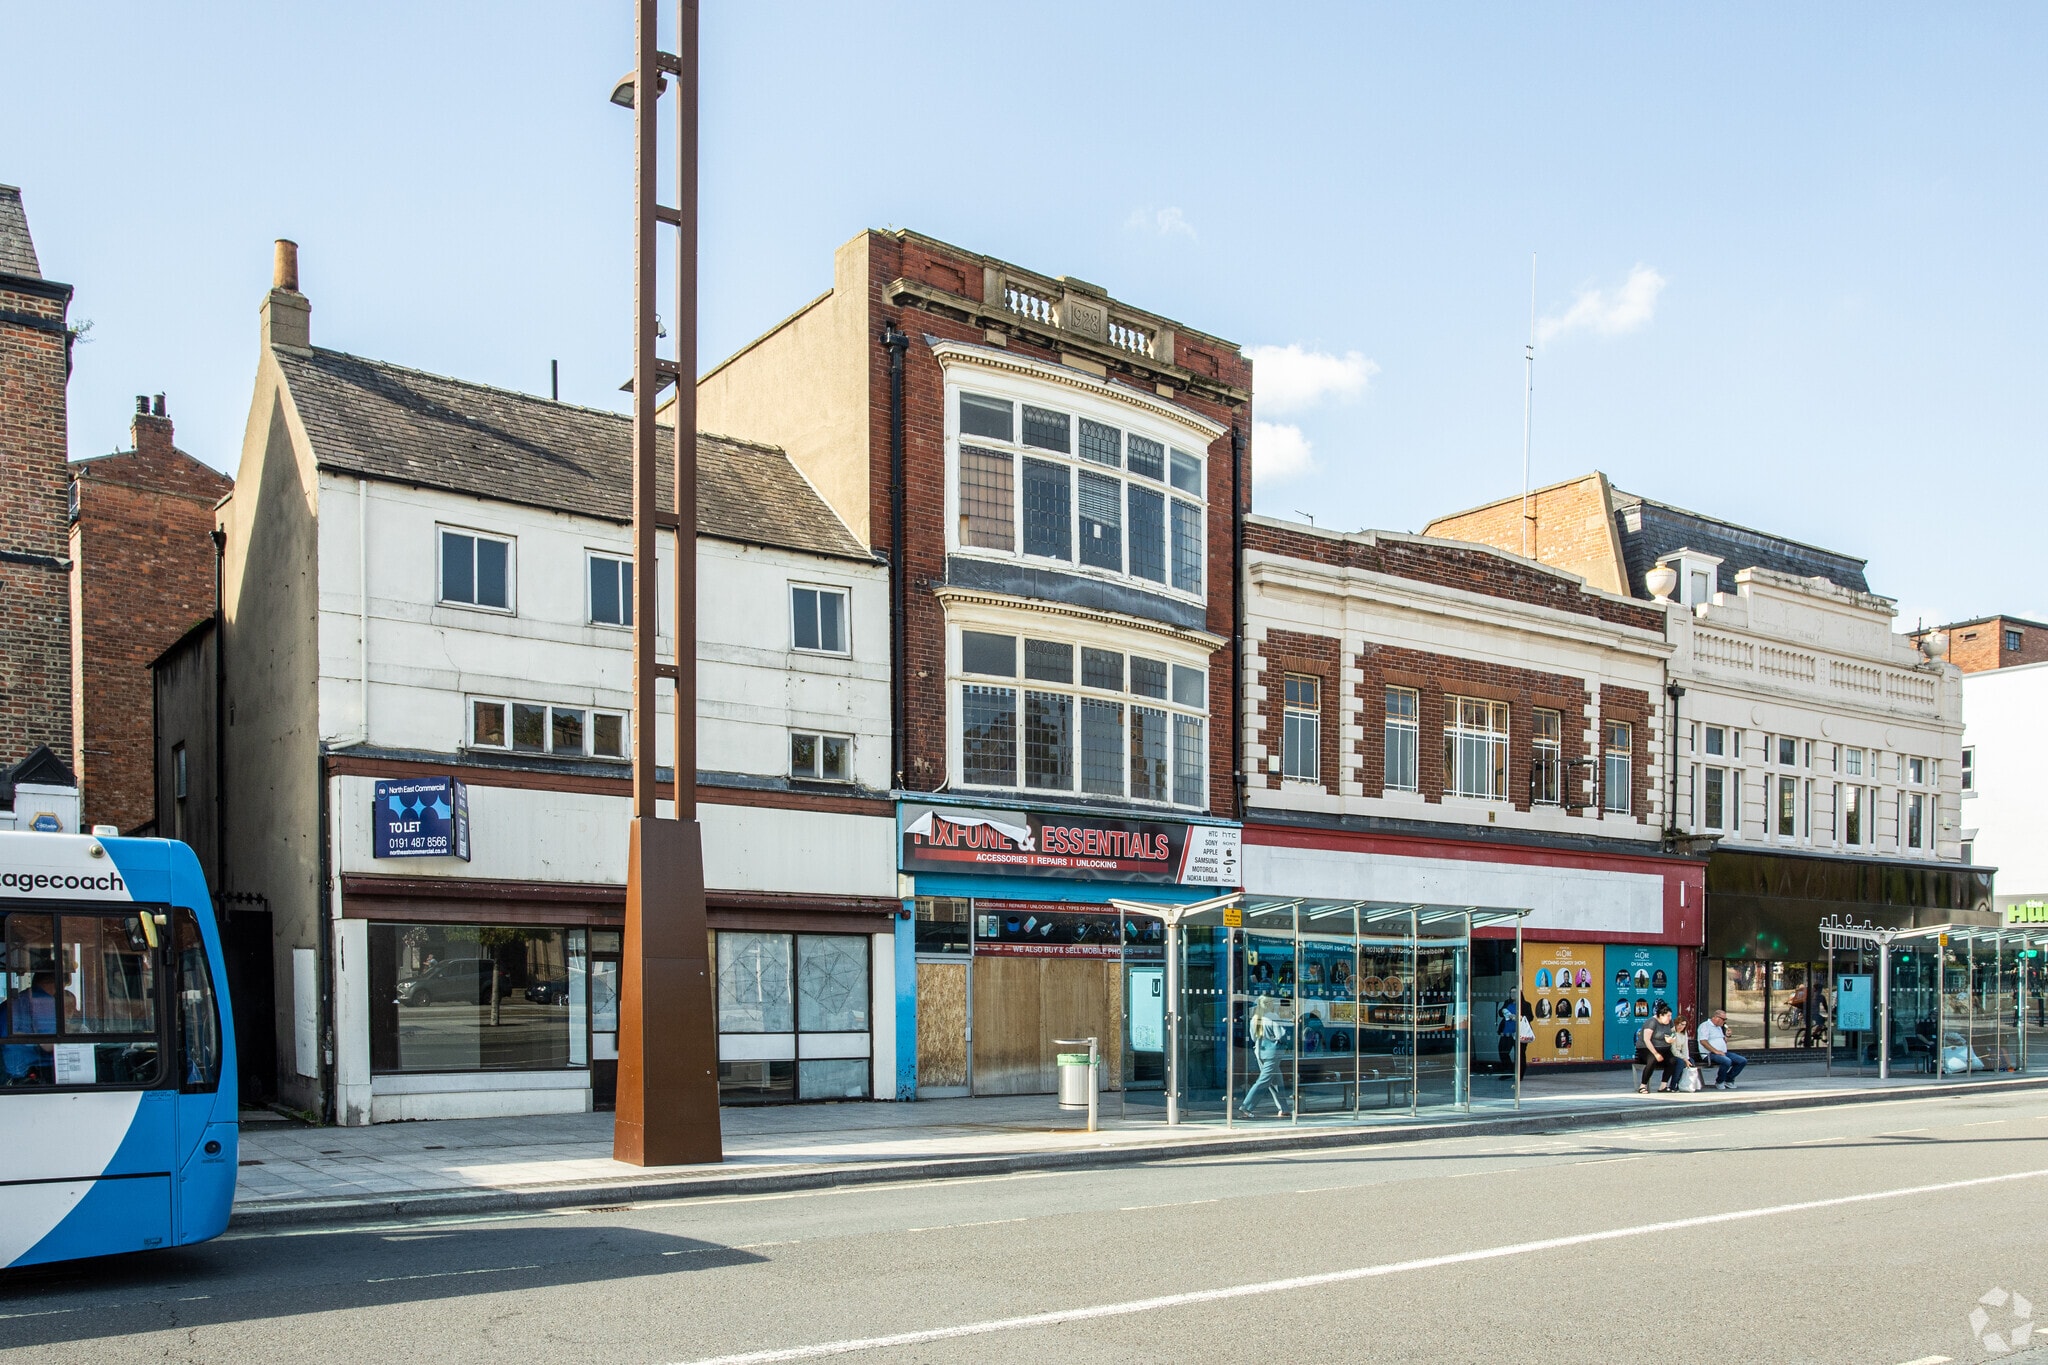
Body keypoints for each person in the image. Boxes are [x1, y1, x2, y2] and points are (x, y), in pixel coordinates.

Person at [1241, 996, 1290, 1118]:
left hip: (1260, 1052)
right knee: (1264, 1081)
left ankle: (1284, 1108)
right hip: (1272, 1053)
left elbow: (1253, 1037)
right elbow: (1281, 1035)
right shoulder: (1273, 1017)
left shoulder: (1255, 1019)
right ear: (1269, 1005)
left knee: (1276, 1081)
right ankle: (1246, 1106)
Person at [1696, 1009, 1747, 1089]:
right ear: (1716, 1017)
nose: (1724, 1021)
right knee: (1726, 1061)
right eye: (1723, 1019)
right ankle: (1720, 1081)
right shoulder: (1705, 1026)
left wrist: (1727, 1036)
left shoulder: (1719, 1028)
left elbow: (1723, 1042)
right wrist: (1716, 1051)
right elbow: (1703, 1041)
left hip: (1722, 1052)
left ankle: (1728, 1080)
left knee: (1742, 1060)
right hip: (1709, 1054)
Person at [1637, 1003, 1680, 1093]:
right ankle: (1643, 1086)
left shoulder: (1670, 1022)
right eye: (1668, 1016)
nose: (1670, 1018)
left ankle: (1663, 1086)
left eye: (1670, 1016)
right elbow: (1646, 1040)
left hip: (1664, 1048)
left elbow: (1674, 1033)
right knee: (1652, 1060)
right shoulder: (1652, 1022)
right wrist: (1656, 1054)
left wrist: (1672, 1039)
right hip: (1647, 1048)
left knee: (1672, 1061)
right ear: (1661, 1015)